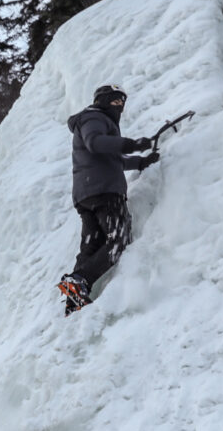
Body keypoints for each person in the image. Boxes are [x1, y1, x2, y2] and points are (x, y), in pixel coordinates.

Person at [57, 84, 160, 315]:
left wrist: (140, 162)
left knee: (92, 244)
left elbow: (114, 160)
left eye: (122, 102)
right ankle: (79, 281)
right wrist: (130, 144)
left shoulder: (94, 120)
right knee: (119, 240)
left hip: (87, 194)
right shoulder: (94, 118)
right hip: (105, 191)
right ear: (102, 101)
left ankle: (75, 300)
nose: (119, 106)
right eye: (114, 101)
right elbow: (95, 142)